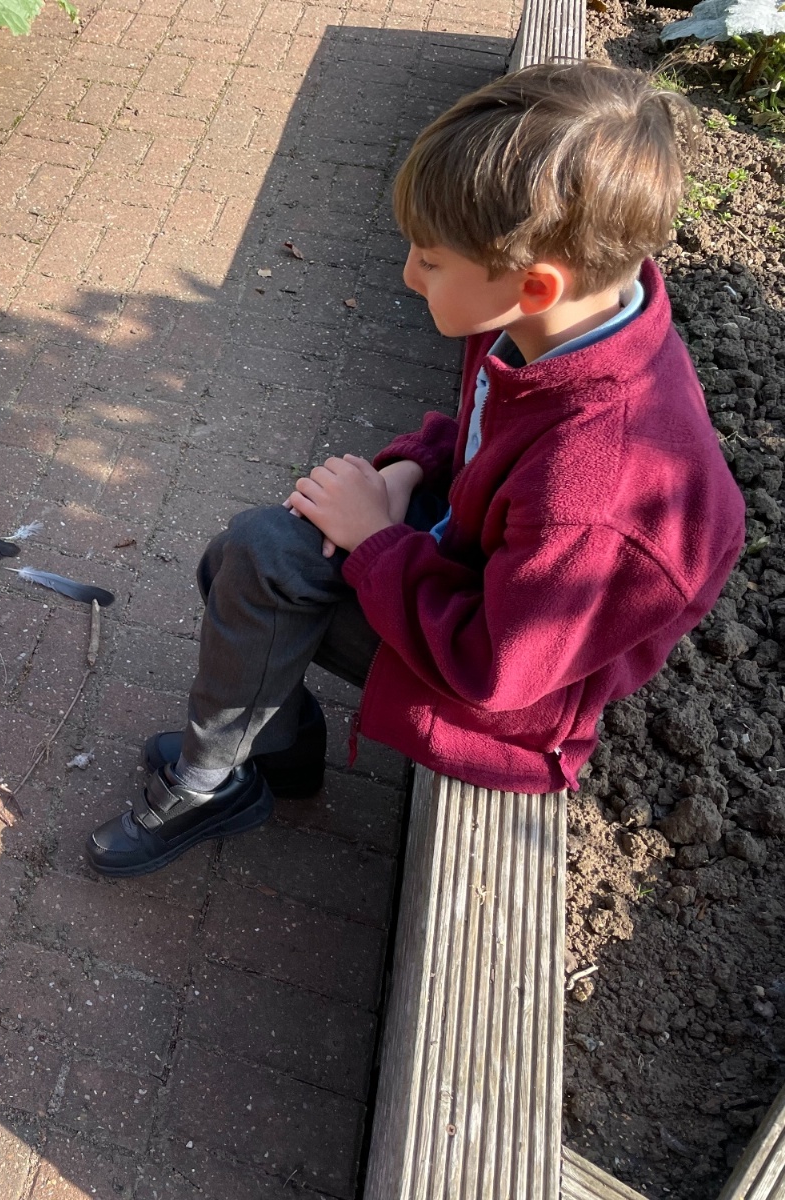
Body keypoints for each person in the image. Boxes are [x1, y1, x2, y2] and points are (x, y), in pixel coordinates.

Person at [87, 62, 747, 877]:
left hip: (516, 697)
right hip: (485, 569)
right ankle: (277, 749)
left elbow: (493, 670)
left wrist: (375, 540)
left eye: (429, 261)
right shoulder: (564, 319)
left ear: (536, 284)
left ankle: (211, 783)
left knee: (260, 560)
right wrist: (408, 470)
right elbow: (482, 429)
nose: (408, 274)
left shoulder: (595, 489)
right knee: (252, 555)